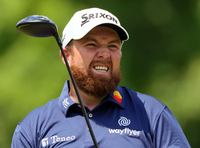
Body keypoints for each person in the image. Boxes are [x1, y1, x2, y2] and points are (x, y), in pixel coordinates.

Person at [11, 8, 191, 148]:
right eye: (91, 44)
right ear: (66, 55)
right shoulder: (32, 127)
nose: (104, 53)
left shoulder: (152, 114)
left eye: (113, 46)